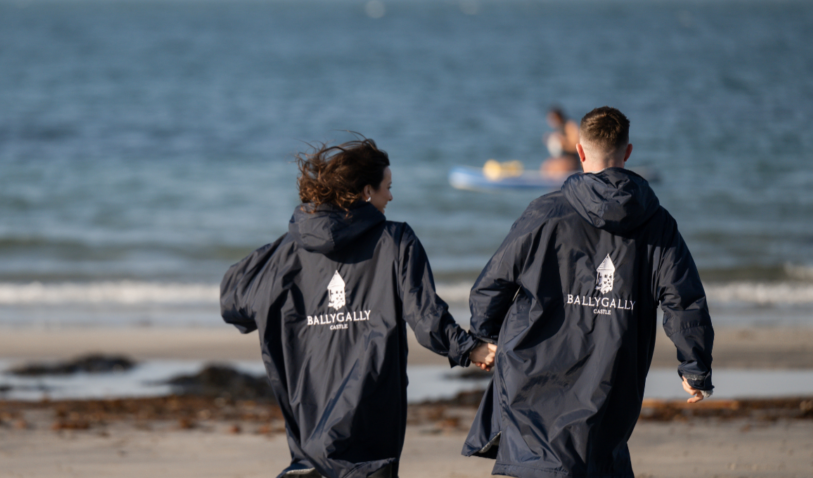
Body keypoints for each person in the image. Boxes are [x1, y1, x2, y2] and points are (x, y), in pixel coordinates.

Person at [461, 107, 714, 477]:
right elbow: (684, 299)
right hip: (609, 389)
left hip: (533, 387)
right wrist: (695, 366)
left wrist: (483, 338)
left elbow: (491, 284)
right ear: (627, 153)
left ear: (579, 152)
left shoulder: (545, 213)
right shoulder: (657, 224)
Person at [221, 137, 495, 478]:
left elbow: (232, 300)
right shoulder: (395, 241)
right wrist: (472, 349)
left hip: (309, 427)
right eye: (387, 188)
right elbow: (426, 318)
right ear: (366, 192)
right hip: (372, 428)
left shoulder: (284, 253)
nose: (391, 197)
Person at [541, 106, 581, 176]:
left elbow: (576, 146)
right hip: (562, 158)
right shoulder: (558, 128)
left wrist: (563, 143)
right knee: (545, 166)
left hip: (572, 159)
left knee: (555, 169)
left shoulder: (569, 125)